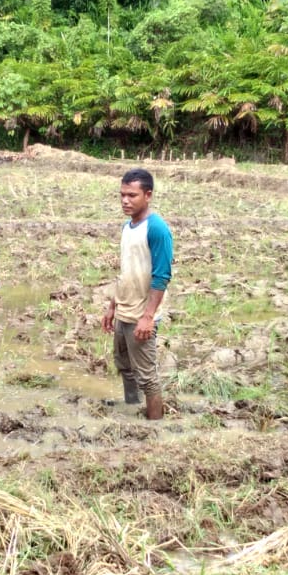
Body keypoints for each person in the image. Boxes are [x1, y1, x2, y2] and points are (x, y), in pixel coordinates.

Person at [101, 168, 173, 420]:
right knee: (124, 365)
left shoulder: (157, 229)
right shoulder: (127, 227)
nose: (125, 200)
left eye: (132, 195)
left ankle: (156, 426)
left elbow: (162, 276)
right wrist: (112, 306)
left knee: (147, 376)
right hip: (124, 310)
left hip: (142, 314)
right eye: (122, 195)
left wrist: (148, 316)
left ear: (148, 195)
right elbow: (124, 271)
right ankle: (132, 407)